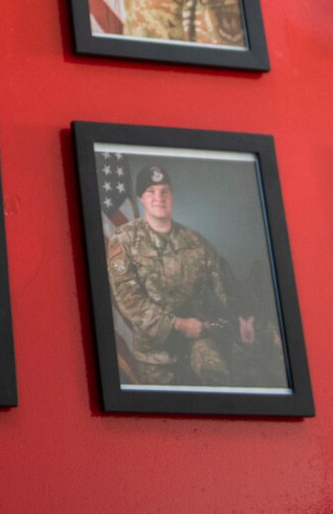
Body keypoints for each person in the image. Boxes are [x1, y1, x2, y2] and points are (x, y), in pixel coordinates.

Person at [105, 165, 256, 386]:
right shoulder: (124, 240)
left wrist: (241, 317)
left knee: (222, 389)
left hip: (199, 344)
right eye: (151, 192)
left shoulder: (195, 241)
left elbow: (223, 285)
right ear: (141, 199)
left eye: (164, 191)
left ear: (172, 196)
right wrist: (178, 324)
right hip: (155, 356)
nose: (159, 198)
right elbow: (129, 298)